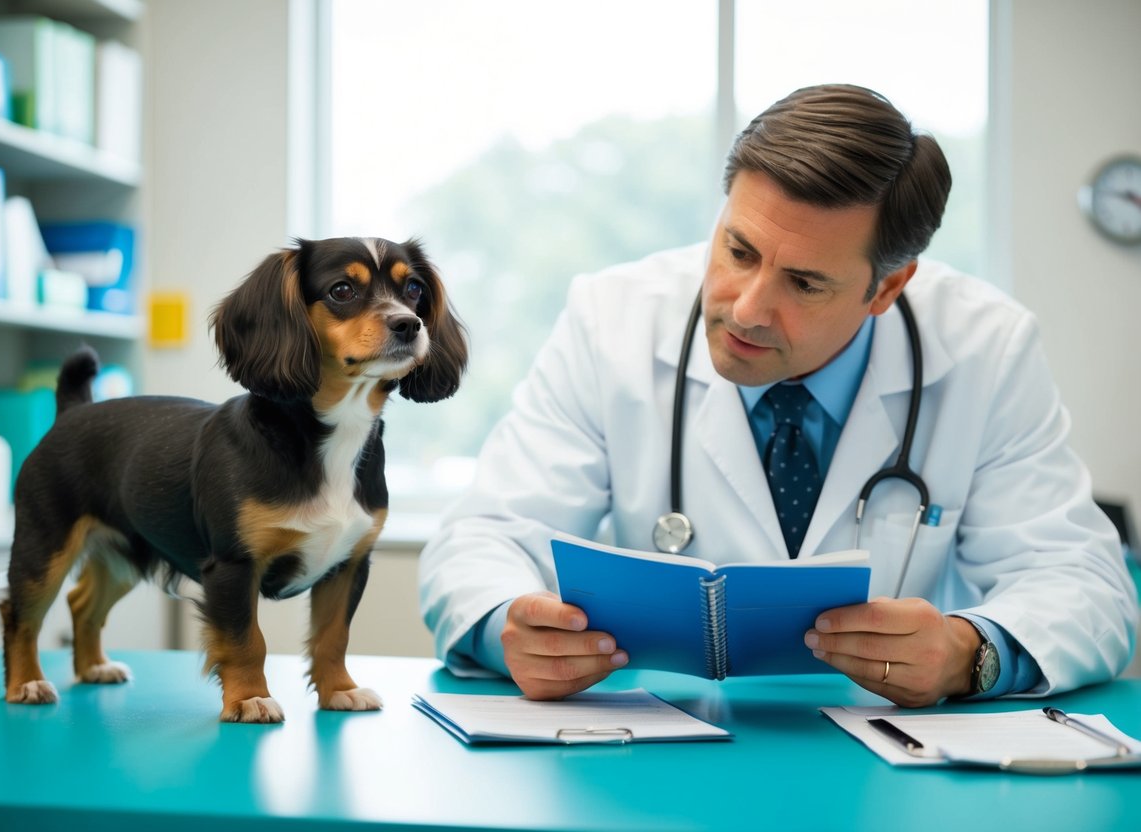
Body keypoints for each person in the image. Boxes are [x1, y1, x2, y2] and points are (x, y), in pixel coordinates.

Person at [417, 84, 1139, 707]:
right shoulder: (612, 319)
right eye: (737, 251)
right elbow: (481, 540)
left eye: (803, 282)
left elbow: (1084, 588)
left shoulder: (985, 347)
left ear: (886, 286)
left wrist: (966, 652)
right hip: (661, 761)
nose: (746, 308)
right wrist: (509, 624)